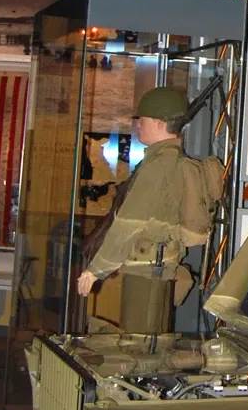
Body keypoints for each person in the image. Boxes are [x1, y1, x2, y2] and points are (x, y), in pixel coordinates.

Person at [76, 86, 218, 336]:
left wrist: (96, 269)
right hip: (154, 266)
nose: (138, 125)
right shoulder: (164, 160)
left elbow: (130, 222)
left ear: (159, 122)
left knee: (139, 347)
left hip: (147, 269)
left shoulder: (159, 166)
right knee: (147, 344)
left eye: (142, 120)